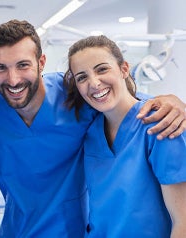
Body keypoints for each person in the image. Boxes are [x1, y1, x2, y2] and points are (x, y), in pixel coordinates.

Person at [0, 19, 186, 237]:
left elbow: (122, 104)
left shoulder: (73, 98)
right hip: (18, 231)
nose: (13, 80)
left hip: (73, 231)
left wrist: (170, 102)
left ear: (41, 62)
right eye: (1, 68)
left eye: (23, 65)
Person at [64, 35, 186, 237]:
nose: (94, 83)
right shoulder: (90, 133)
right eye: (82, 77)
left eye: (102, 69)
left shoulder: (161, 124)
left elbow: (183, 222)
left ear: (124, 69)